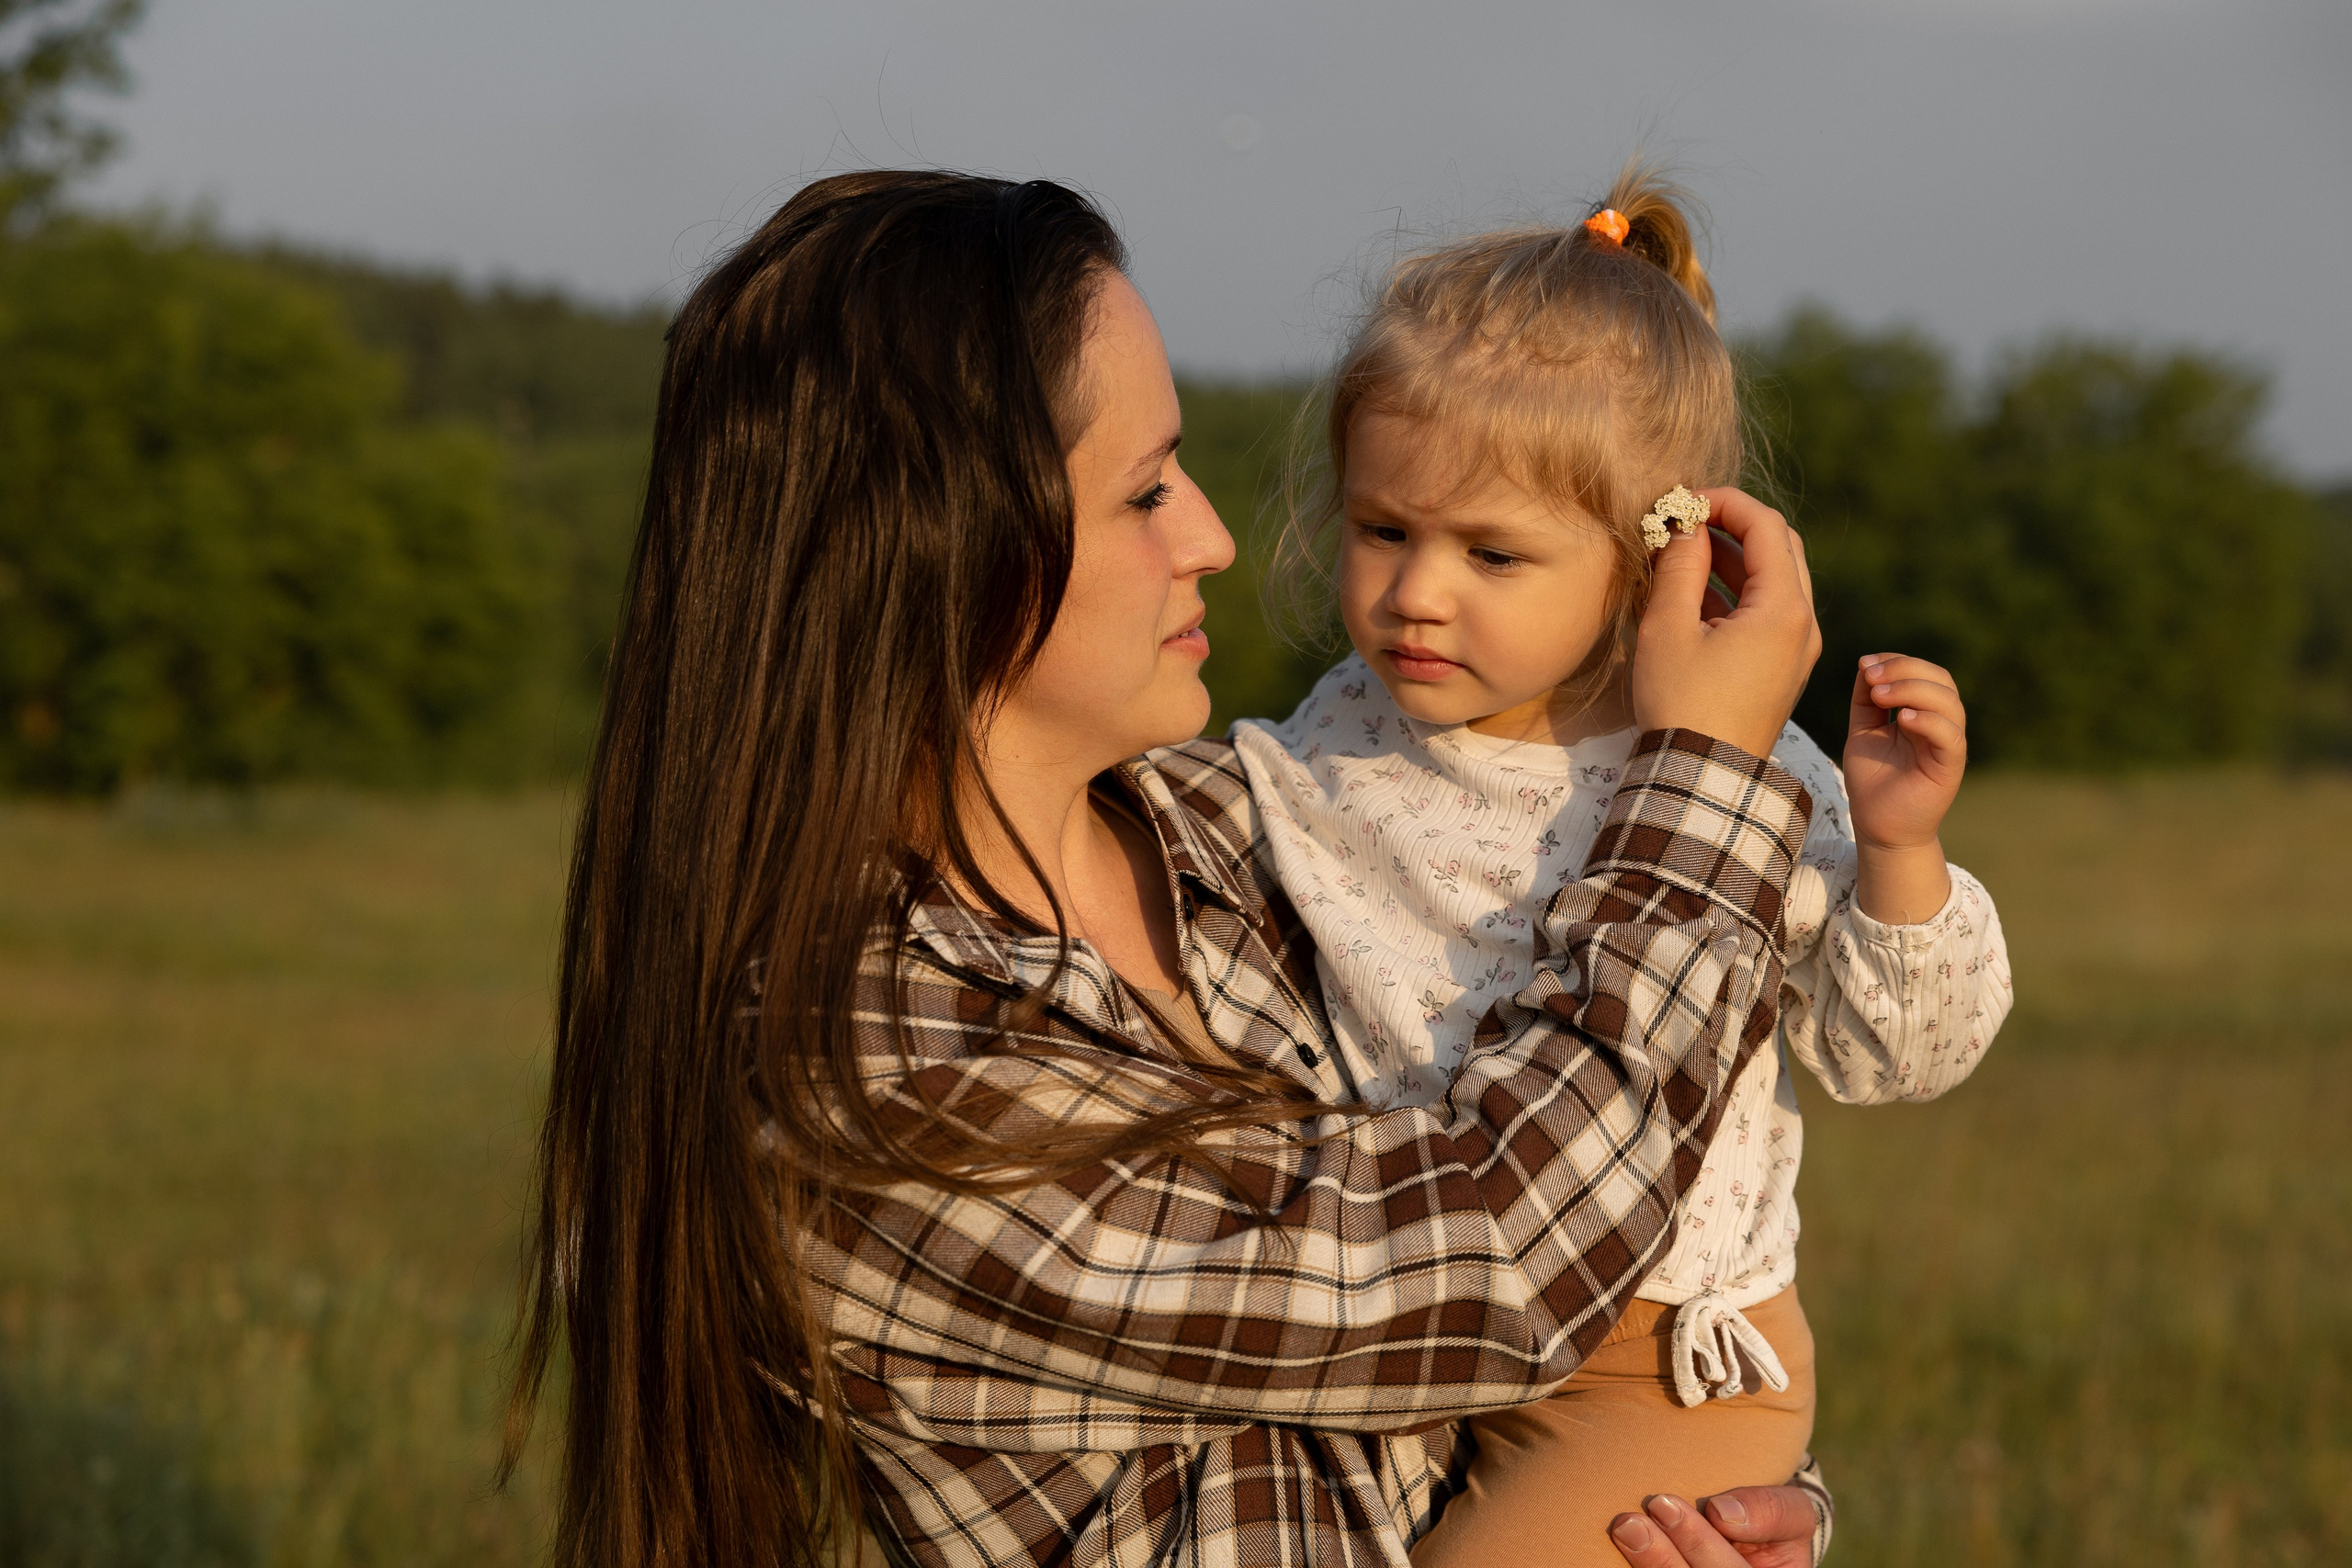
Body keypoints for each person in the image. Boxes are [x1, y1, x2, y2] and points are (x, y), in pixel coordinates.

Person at [505, 169, 1837, 1568]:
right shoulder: (851, 1101)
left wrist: (1720, 1512)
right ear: (941, 550)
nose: (1211, 535)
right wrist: (1701, 782)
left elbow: (1523, 1383)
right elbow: (1488, 1271)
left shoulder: (1258, 835)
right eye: (1145, 493)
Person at [1228, 168, 2014, 1566]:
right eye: (1383, 530)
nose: (1417, 593)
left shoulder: (1728, 757)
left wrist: (1898, 849)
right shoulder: (1344, 722)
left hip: (1659, 1367)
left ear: (1653, 552)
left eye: (1493, 552)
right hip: (1411, 1310)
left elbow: (1898, 1054)